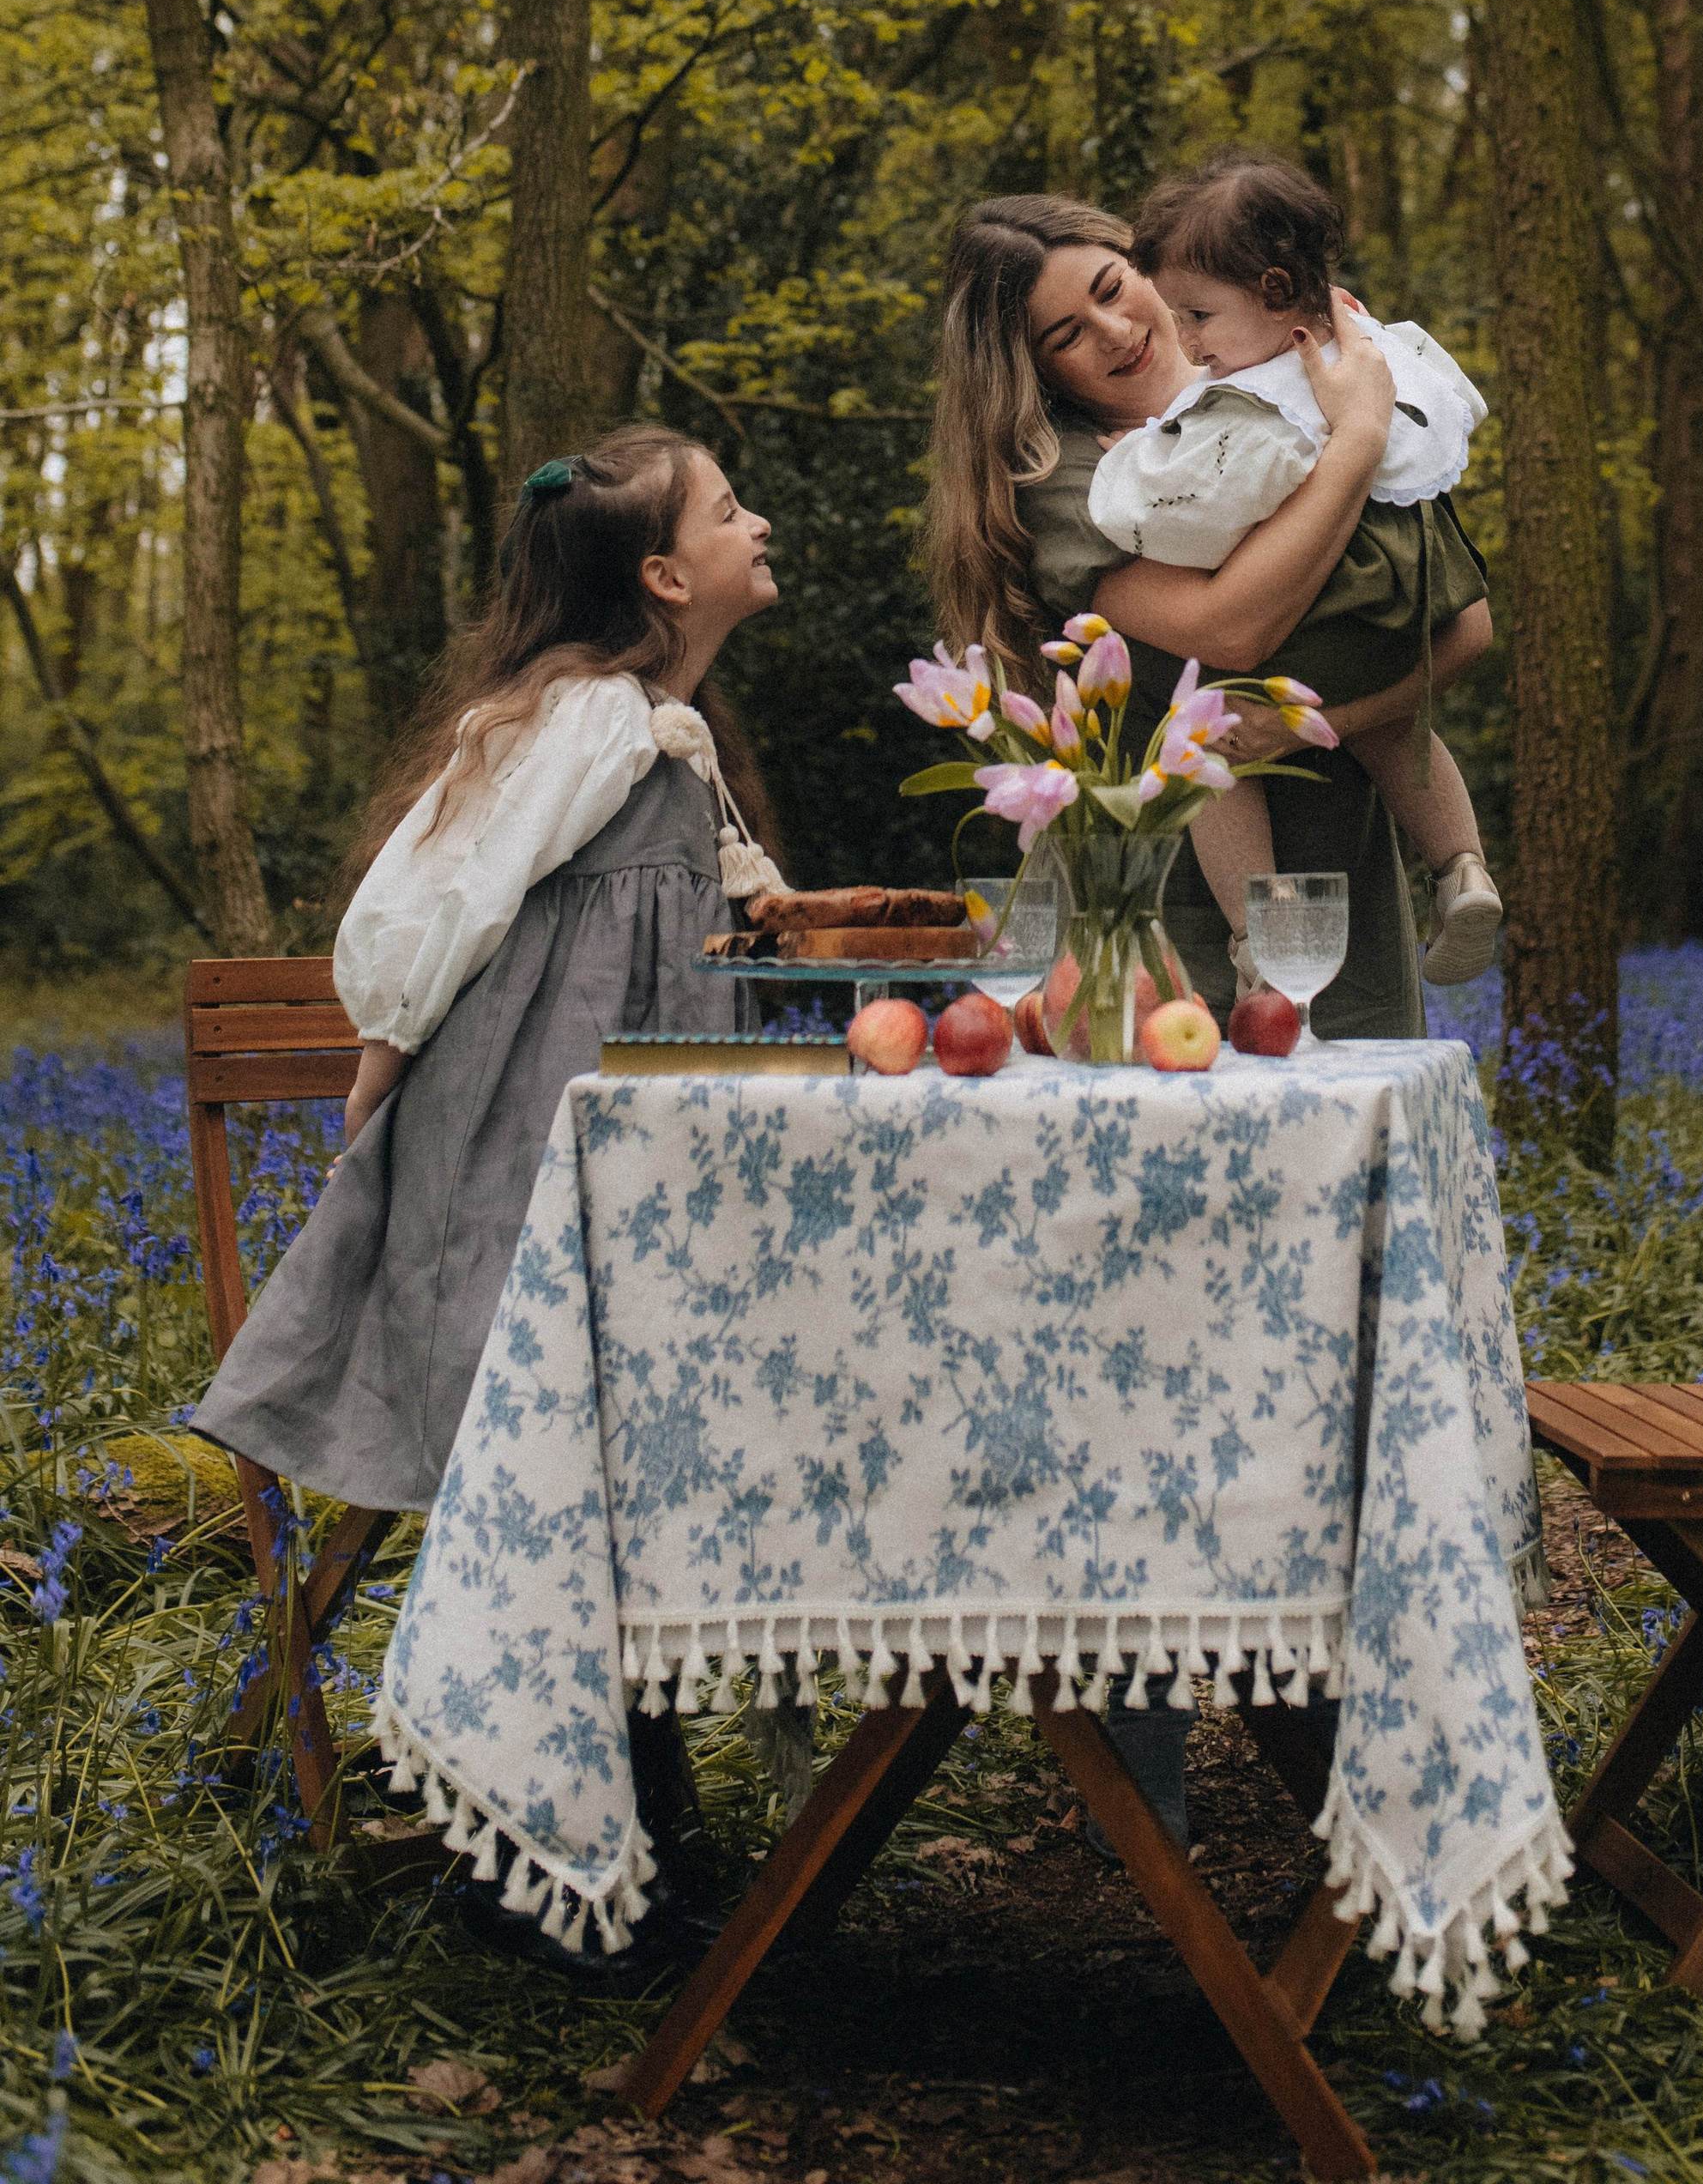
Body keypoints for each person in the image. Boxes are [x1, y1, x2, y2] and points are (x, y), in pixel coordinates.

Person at [194, 424, 784, 1967]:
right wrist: (383, 1061)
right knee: (572, 1454)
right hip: (533, 1154)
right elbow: (437, 889)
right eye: (731, 510)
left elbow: (703, 902)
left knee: (630, 1452)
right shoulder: (582, 718)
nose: (759, 520)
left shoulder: (661, 729)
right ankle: (537, 1863)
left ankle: (632, 1831)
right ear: (665, 573)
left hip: (629, 1151)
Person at [925, 195, 1495, 1043]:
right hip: (1156, 907)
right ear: (1035, 373)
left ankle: (1461, 870)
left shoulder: (1291, 378)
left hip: (1334, 882)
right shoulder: (1070, 482)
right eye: (1067, 335)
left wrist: (1310, 729)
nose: (1114, 330)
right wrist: (1358, 435)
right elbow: (1231, 634)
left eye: (1114, 288)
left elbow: (1462, 627)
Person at [1090, 150, 1501, 988]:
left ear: (1278, 293)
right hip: (1418, 590)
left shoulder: (1265, 393)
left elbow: (1202, 513)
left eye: (1201, 314)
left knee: (1198, 742)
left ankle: (1257, 942)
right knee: (1393, 726)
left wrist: (1137, 461)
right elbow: (1456, 399)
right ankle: (1462, 869)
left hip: (1333, 595)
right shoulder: (1363, 337)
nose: (1189, 340)